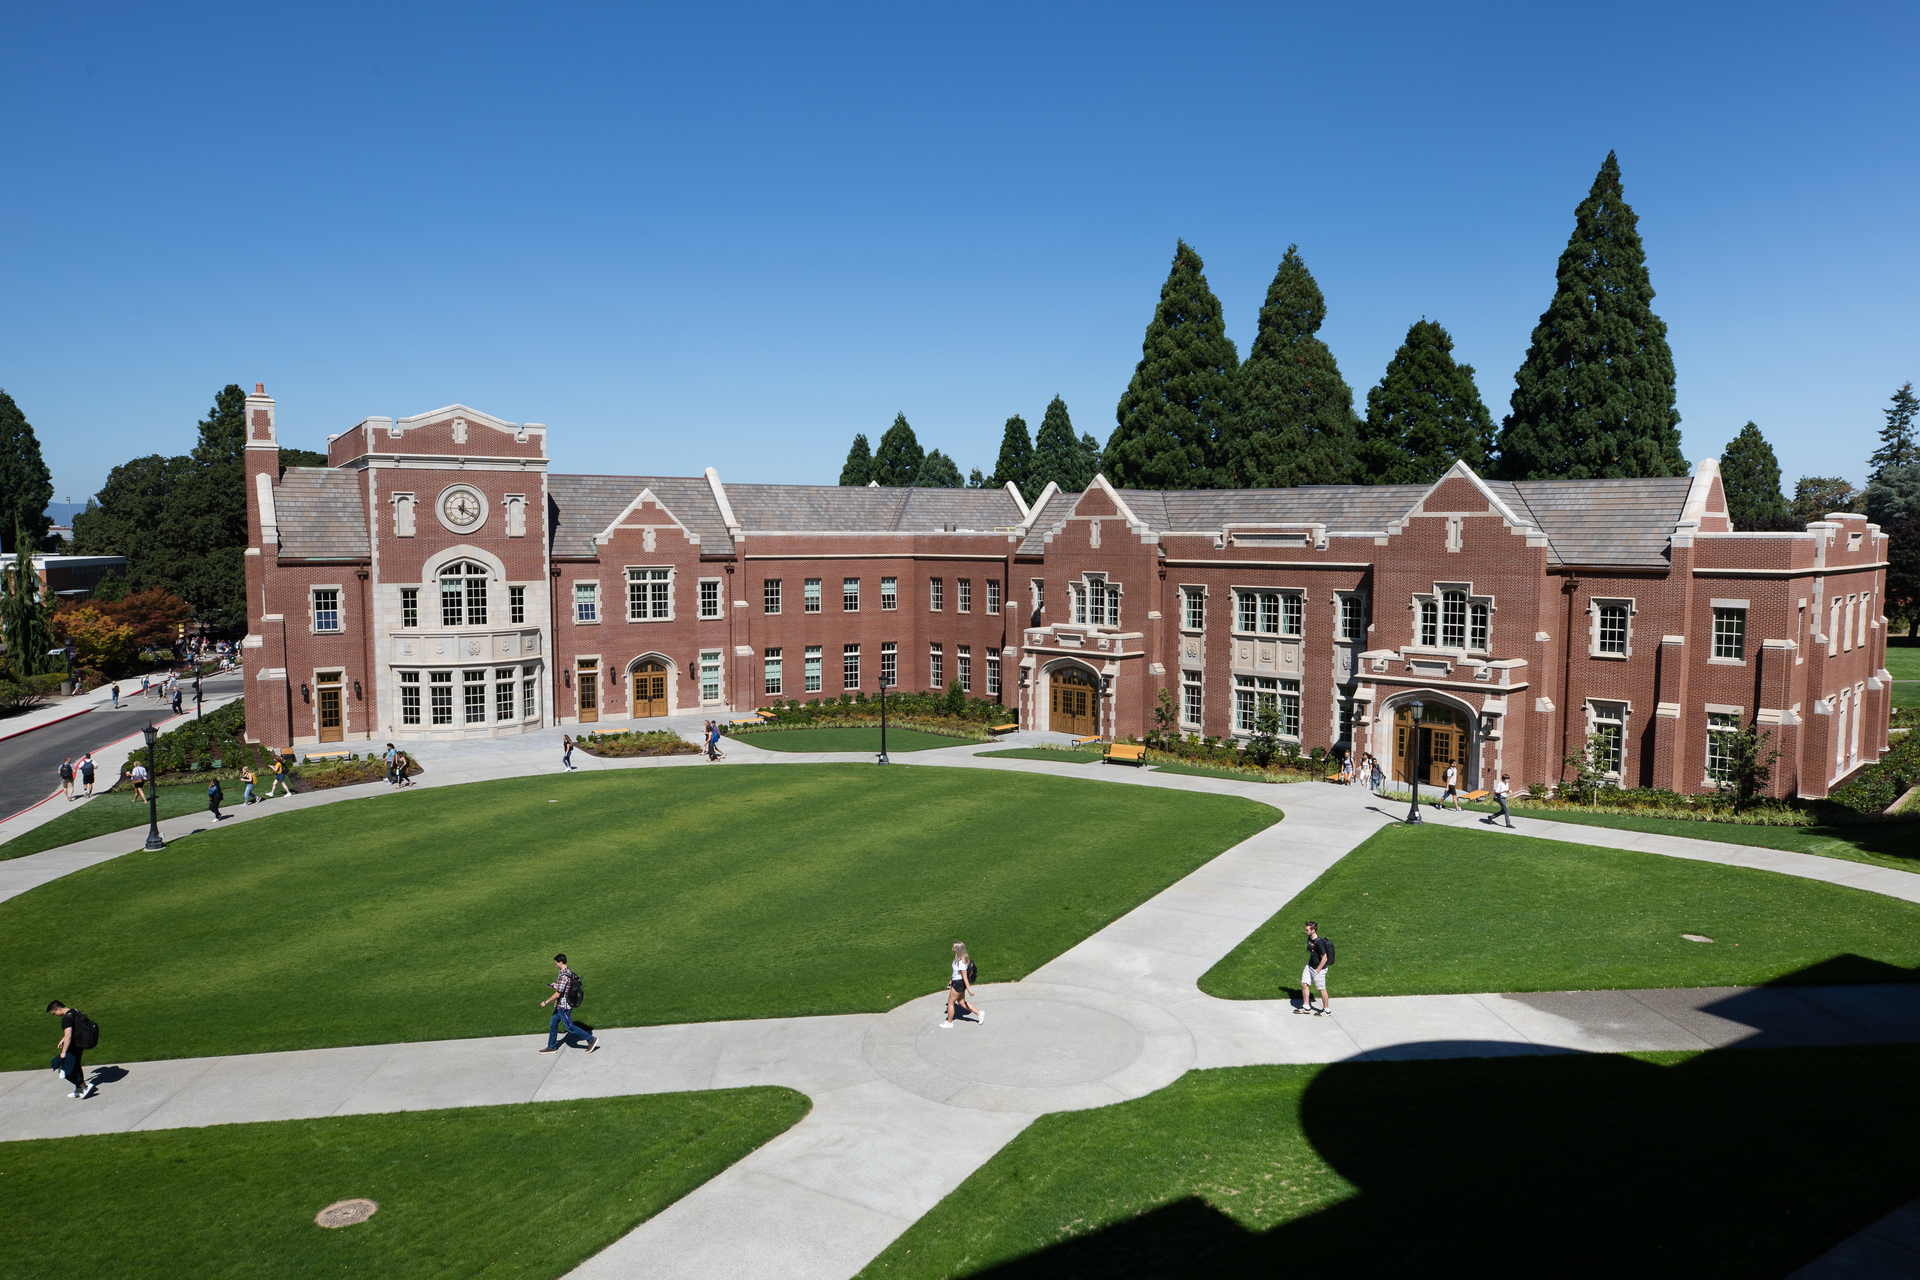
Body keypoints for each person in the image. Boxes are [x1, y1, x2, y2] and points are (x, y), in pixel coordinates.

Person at [537, 953, 598, 1053]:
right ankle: (551, 1046)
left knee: (570, 1028)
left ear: (560, 962)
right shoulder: (568, 971)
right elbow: (565, 988)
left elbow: (558, 994)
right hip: (559, 1006)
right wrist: (555, 986)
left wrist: (546, 1002)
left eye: (556, 963)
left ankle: (591, 1040)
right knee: (553, 1024)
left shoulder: (562, 976)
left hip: (563, 1007)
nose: (555, 965)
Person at [46, 1001, 97, 1099]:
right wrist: (63, 1038)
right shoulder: (75, 1011)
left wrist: (63, 1053)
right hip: (80, 1043)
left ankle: (85, 1086)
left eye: (54, 1013)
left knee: (67, 1070)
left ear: (58, 1009)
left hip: (73, 1046)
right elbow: (75, 1028)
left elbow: (69, 1035)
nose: (55, 1015)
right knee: (76, 1065)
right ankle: (78, 1090)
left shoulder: (65, 1019)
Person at [941, 941, 983, 1028]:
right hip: (956, 982)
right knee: (961, 1003)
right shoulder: (956, 959)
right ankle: (979, 1014)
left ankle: (949, 1022)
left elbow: (964, 977)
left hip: (959, 984)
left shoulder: (961, 962)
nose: (952, 949)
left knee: (950, 1003)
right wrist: (951, 980)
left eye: (953, 948)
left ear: (958, 950)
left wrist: (968, 989)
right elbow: (955, 973)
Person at [1298, 921, 1333, 1016]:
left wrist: (1318, 969)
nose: (1305, 931)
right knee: (1304, 983)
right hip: (1310, 965)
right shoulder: (1310, 939)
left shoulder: (1319, 942)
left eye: (1307, 930)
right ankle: (1306, 1007)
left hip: (1318, 969)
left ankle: (1327, 1010)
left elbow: (1324, 957)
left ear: (1313, 930)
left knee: (1321, 989)